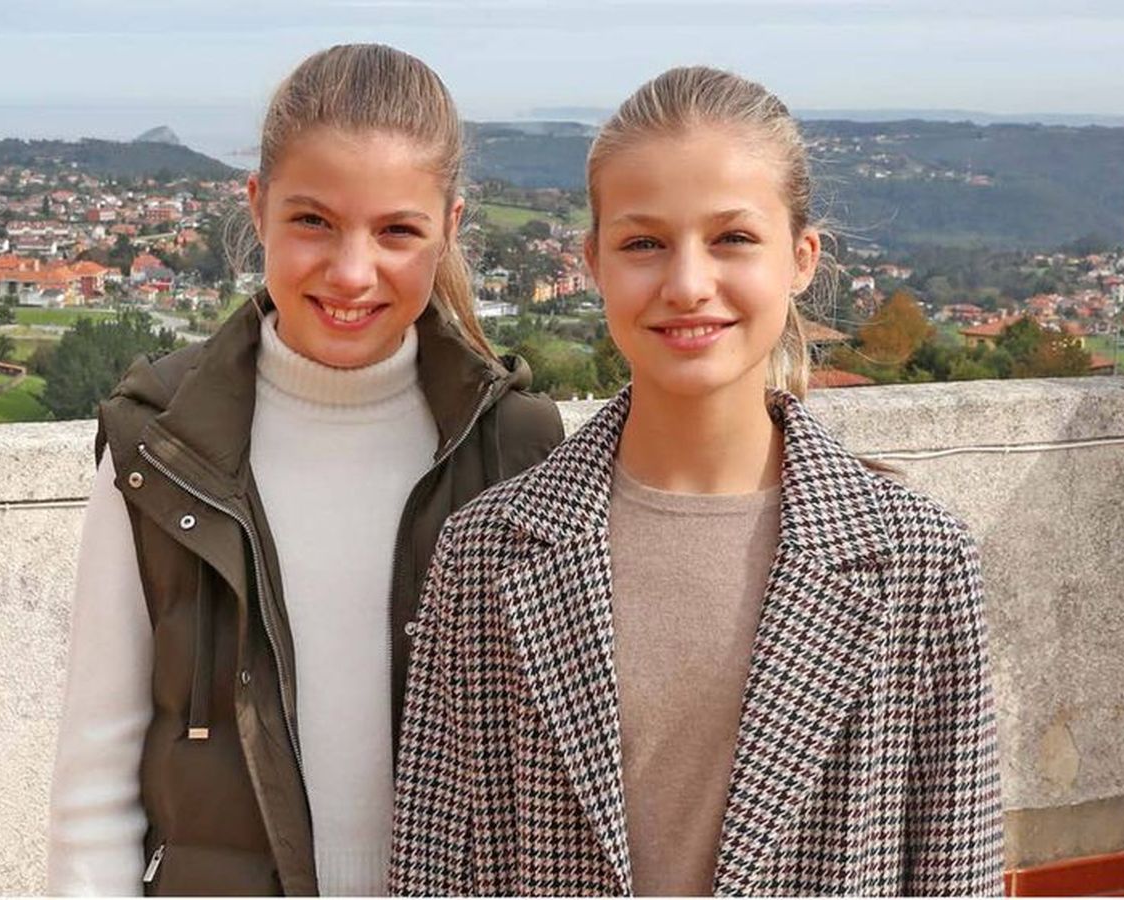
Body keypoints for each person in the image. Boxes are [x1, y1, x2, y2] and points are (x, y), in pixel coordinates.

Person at [389, 66, 1003, 897]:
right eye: (644, 242)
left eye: (732, 239)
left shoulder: (920, 561)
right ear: (594, 262)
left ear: (801, 257)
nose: (686, 284)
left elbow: (952, 872)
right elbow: (434, 868)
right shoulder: (487, 553)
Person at [46, 44, 565, 896]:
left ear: (452, 229)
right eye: (313, 221)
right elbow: (95, 787)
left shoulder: (516, 449)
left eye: (397, 230)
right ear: (257, 209)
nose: (352, 272)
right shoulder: (161, 450)